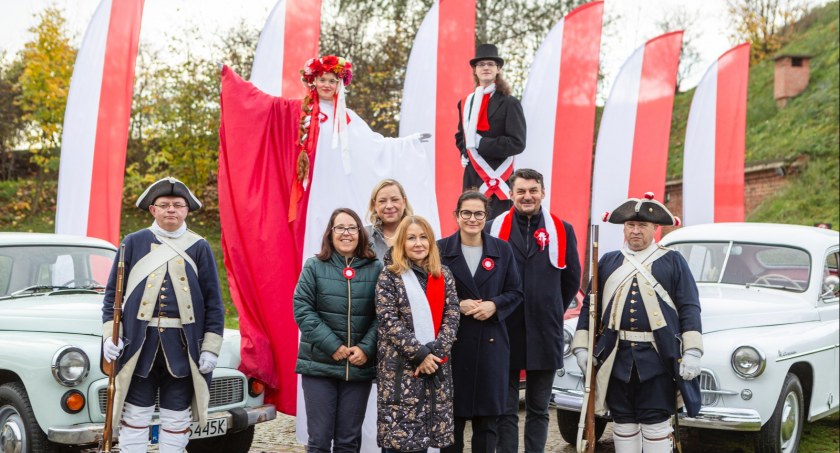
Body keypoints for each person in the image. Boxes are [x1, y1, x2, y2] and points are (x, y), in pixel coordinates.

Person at [101, 176, 225, 453]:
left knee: (177, 417)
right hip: (139, 347)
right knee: (134, 416)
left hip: (182, 348)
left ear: (186, 211)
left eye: (178, 205)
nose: (171, 210)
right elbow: (113, 297)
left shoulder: (200, 246)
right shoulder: (132, 242)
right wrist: (111, 335)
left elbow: (214, 303)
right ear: (152, 210)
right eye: (165, 204)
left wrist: (210, 348)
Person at [572, 193, 703, 453]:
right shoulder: (608, 261)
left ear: (655, 229)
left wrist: (692, 351)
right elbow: (590, 307)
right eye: (630, 226)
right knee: (623, 423)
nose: (635, 231)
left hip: (657, 359)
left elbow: (689, 307)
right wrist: (582, 347)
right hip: (615, 358)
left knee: (656, 425)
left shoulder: (673, 261)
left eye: (642, 226)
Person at [487, 168, 581, 453]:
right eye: (521, 191)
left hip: (544, 331)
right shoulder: (493, 227)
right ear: (511, 194)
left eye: (533, 190)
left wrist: (550, 308)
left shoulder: (562, 230)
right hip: (504, 329)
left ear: (542, 192)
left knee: (539, 408)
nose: (527, 196)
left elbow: (571, 279)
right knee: (505, 408)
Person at [437, 191, 523, 453]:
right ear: (457, 215)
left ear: (486, 216)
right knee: (451, 424)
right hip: (453, 346)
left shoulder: (502, 250)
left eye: (478, 213)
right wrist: (455, 303)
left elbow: (516, 292)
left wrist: (494, 305)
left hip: (491, 346)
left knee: (487, 425)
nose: (472, 219)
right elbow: (428, 295)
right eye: (466, 213)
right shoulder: (440, 250)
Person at [293, 207, 382, 453]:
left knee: (348, 441)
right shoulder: (314, 266)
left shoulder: (376, 268)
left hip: (358, 367)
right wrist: (333, 346)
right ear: (330, 233)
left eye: (352, 228)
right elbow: (302, 309)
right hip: (319, 365)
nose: (346, 233)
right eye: (340, 228)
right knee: (319, 440)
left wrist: (366, 349)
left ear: (360, 233)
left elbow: (383, 315)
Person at [375, 216, 460, 452]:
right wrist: (420, 353)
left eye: (423, 237)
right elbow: (388, 320)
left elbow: (452, 316)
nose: (418, 243)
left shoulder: (443, 275)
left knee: (422, 442)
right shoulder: (390, 276)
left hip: (435, 367)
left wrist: (434, 353)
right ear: (402, 242)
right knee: (398, 442)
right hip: (401, 372)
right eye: (411, 238)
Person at [455, 44, 526, 219]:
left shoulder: (510, 103)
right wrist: (465, 151)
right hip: (473, 174)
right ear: (475, 70)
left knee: (497, 226)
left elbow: (517, 143)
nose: (485, 67)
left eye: (490, 64)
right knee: (471, 223)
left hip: (498, 174)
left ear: (498, 69)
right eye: (481, 64)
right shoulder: (465, 103)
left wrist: (481, 144)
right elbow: (460, 135)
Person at [365, 179, 414, 260]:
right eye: (382, 201)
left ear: (404, 202)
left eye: (395, 200)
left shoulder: (420, 233)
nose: (389, 206)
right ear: (374, 205)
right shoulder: (363, 236)